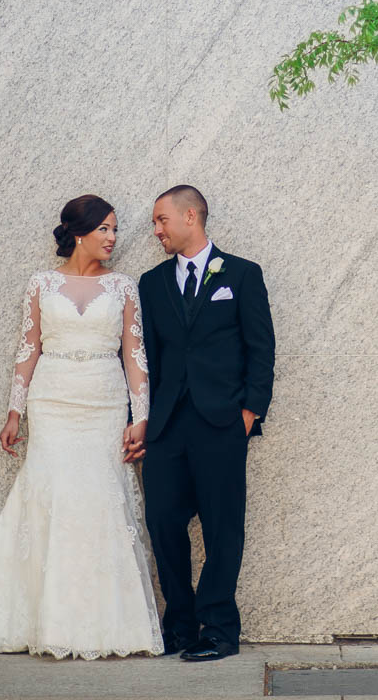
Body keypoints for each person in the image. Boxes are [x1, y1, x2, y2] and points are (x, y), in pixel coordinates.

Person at [0, 195, 163, 659]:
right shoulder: (40, 284)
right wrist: (15, 412)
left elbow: (136, 358)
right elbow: (27, 349)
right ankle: (41, 619)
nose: (113, 238)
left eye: (116, 230)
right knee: (48, 496)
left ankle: (105, 625)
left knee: (99, 499)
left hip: (103, 399)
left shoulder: (123, 287)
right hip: (51, 401)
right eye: (105, 230)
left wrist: (142, 419)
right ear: (80, 233)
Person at [137, 185, 276, 661]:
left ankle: (218, 629)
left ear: (190, 216)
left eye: (161, 220)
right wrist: (142, 420)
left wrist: (248, 414)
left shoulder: (241, 274)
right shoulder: (151, 284)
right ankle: (179, 623)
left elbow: (262, 349)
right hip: (168, 425)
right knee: (162, 521)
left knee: (223, 527)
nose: (156, 230)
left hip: (222, 423)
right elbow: (147, 357)